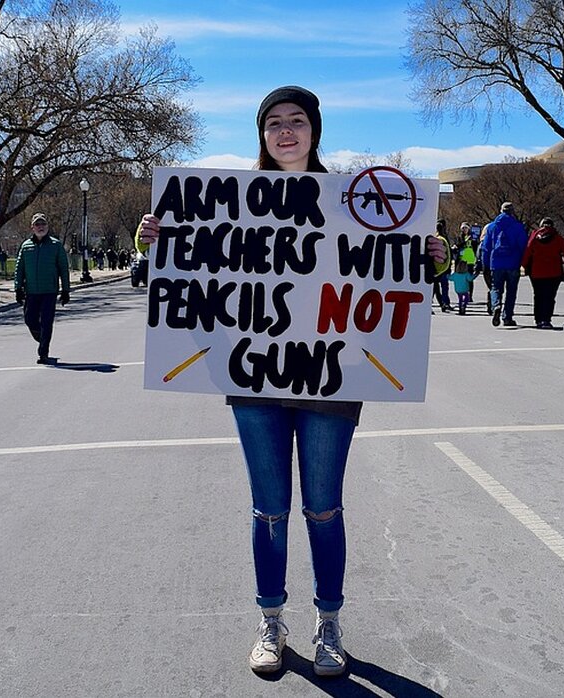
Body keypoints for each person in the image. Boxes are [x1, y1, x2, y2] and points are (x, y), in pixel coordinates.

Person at [137, 85, 446, 678]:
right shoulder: (222, 205)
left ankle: (329, 622)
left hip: (333, 382)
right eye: (272, 123)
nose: (284, 132)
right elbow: (175, 276)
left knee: (323, 508)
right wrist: (152, 242)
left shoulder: (356, 204)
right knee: (270, 509)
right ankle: (270, 620)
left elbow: (392, 286)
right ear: (260, 134)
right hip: (254, 380)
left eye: (296, 121)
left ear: (314, 131)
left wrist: (429, 257)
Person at [14, 212, 70, 364]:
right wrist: (18, 288)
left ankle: (43, 352)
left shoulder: (55, 245)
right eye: (37, 225)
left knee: (46, 322)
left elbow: (63, 269)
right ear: (32, 227)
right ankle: (41, 337)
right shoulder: (26, 246)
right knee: (29, 320)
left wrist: (65, 291)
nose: (40, 227)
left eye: (43, 224)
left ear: (47, 226)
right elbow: (19, 268)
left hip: (49, 291)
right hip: (31, 291)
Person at [522, 217, 564, 328]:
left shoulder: (534, 236)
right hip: (554, 272)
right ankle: (546, 320)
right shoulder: (558, 238)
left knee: (538, 296)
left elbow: (527, 251)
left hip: (536, 272)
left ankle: (538, 320)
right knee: (550, 296)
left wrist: (523, 265)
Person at [479, 201, 528, 327]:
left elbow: (486, 248)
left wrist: (485, 264)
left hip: (496, 263)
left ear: (501, 211)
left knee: (495, 288)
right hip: (513, 263)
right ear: (512, 212)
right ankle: (507, 317)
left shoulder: (491, 227)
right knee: (511, 291)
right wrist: (524, 262)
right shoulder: (518, 227)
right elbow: (523, 246)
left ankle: (496, 305)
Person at [450, 223, 477, 315]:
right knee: (461, 276)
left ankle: (470, 295)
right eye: (463, 228)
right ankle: (461, 294)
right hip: (461, 259)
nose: (464, 230)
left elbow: (475, 246)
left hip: (469, 257)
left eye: (466, 228)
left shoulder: (472, 237)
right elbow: (458, 245)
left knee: (469, 276)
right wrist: (465, 241)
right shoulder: (459, 237)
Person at [431, 220, 452, 313]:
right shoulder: (444, 238)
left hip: (436, 268)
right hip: (443, 267)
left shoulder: (437, 239)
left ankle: (441, 304)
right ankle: (443, 304)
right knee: (439, 287)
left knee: (435, 288)